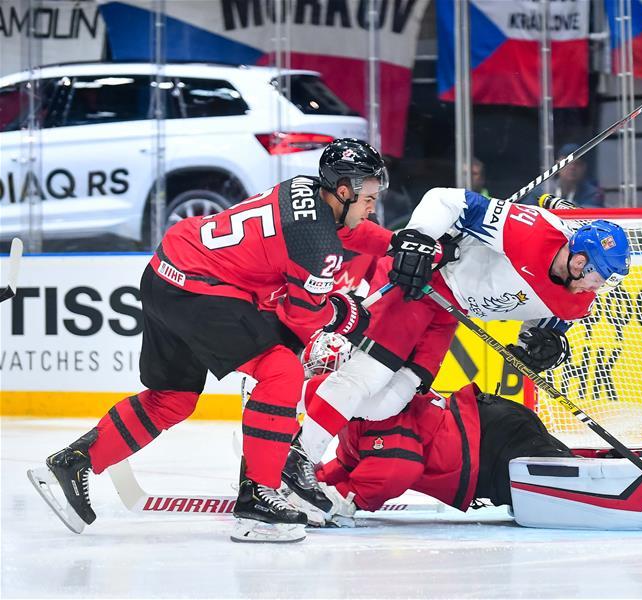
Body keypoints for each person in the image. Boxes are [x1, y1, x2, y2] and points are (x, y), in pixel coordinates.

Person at [28, 138, 390, 543]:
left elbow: (344, 233)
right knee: (280, 370)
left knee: (173, 398)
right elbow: (302, 317)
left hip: (166, 271)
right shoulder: (318, 242)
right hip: (201, 289)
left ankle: (74, 462)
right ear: (344, 190)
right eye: (370, 198)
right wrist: (346, 314)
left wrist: (393, 244)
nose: (372, 207)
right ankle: (257, 500)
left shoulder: (303, 188)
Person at [281, 187, 632, 503]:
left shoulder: (579, 297)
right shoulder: (530, 230)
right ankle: (297, 460)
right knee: (369, 374)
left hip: (450, 311)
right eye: (597, 279)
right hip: (423, 280)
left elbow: (547, 324)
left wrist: (541, 345)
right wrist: (421, 240)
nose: (595, 289)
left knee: (391, 399)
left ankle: (294, 421)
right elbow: (446, 199)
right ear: (580, 261)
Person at [291, 332, 642, 533]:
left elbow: (395, 467)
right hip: (489, 432)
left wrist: (342, 499)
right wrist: (314, 481)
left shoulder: (371, 409)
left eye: (323, 374)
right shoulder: (362, 413)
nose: (320, 383)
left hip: (493, 448)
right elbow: (353, 459)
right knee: (571, 471)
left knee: (581, 487)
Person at [546, 143, 604, 207]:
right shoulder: (543, 191)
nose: (572, 167)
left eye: (577, 163)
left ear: (584, 167)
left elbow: (588, 213)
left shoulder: (593, 194)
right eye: (567, 163)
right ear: (557, 166)